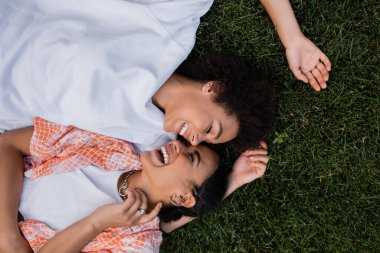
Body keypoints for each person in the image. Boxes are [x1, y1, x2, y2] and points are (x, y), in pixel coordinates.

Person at [0, 0, 329, 148]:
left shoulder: (151, 138)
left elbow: (158, 206)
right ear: (213, 88)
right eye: (210, 129)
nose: (195, 139)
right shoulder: (170, 28)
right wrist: (292, 38)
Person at [0, 118, 269, 252]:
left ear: (183, 197)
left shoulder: (136, 244)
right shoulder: (109, 144)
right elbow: (7, 143)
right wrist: (9, 236)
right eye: (187, 145)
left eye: (189, 157)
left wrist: (97, 223)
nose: (176, 144)